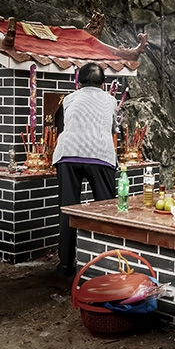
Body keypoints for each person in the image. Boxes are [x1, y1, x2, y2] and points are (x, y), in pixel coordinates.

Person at [51, 62, 118, 276]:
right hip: (99, 155)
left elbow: (60, 126)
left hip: (68, 154)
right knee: (105, 210)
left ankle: (65, 265)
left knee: (68, 209)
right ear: (103, 83)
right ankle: (105, 262)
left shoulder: (69, 99)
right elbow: (114, 128)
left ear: (78, 82)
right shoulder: (110, 100)